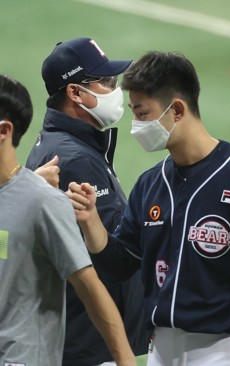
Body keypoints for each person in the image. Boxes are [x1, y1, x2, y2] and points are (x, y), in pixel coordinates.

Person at [66, 51, 230, 366]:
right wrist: (91, 221)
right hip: (161, 349)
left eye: (143, 113)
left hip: (225, 348)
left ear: (177, 109)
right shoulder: (151, 183)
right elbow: (120, 265)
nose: (136, 124)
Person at [25, 37, 151, 366]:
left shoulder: (60, 144)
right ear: (75, 93)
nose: (116, 89)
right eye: (106, 82)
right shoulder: (74, 158)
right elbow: (111, 254)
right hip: (90, 343)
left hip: (74, 337)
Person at [0, 74, 136, 366]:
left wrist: (125, 360)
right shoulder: (23, 200)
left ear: (4, 130)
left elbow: (89, 285)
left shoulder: (43, 202)